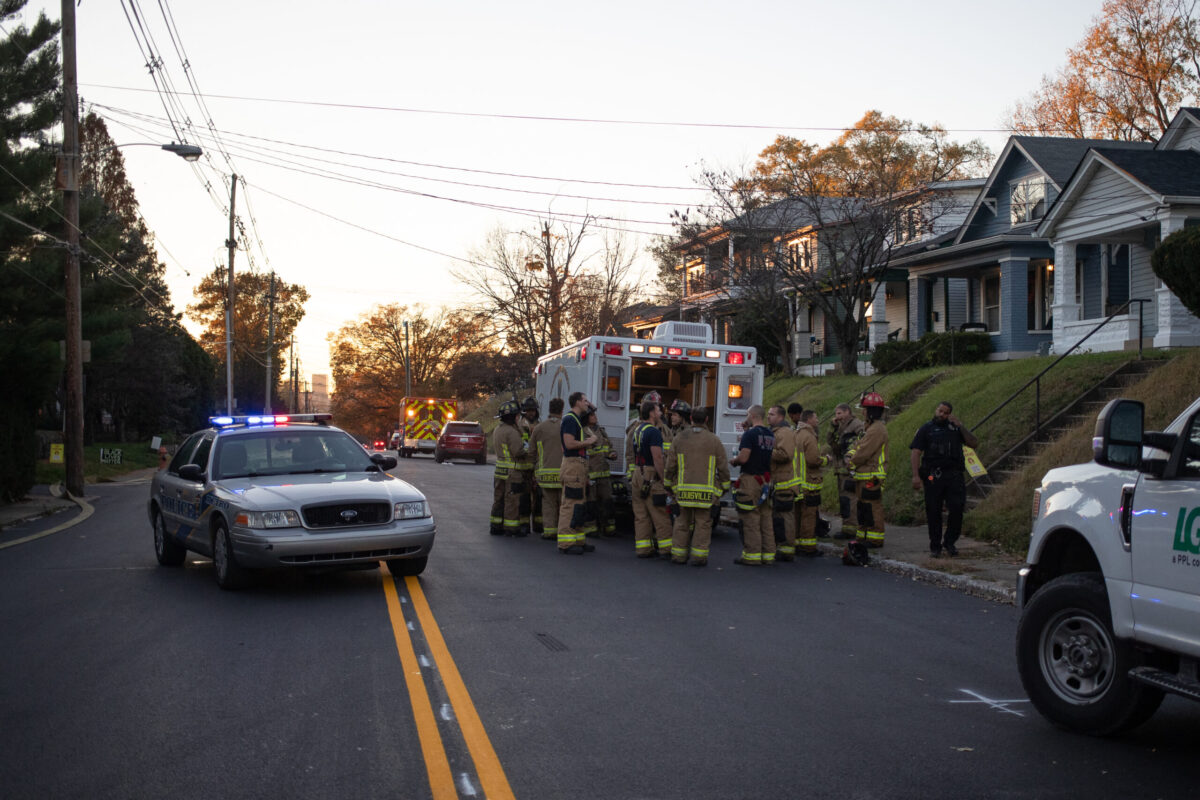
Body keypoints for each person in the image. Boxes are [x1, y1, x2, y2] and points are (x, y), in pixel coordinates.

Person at [910, 401, 979, 557]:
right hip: (933, 475)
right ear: (936, 410)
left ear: (950, 414)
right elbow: (915, 452)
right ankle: (935, 546)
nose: (942, 414)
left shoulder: (955, 429)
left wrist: (960, 426)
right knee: (933, 510)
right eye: (940, 411)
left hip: (954, 476)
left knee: (957, 509)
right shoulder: (926, 429)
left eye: (946, 412)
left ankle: (950, 542)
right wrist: (915, 476)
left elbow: (973, 443)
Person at [664, 406, 729, 566]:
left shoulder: (679, 438)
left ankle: (678, 556)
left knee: (681, 523)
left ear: (691, 419)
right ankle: (699, 557)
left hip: (683, 491)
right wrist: (723, 488)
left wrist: (668, 485)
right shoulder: (714, 440)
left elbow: (670, 465)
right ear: (706, 420)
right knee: (703, 525)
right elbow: (722, 467)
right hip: (706, 494)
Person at [731, 405, 776, 565]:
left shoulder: (750, 435)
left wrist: (734, 461)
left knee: (750, 518)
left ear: (752, 415)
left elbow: (744, 458)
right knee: (765, 518)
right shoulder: (770, 434)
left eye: (747, 415)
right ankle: (768, 554)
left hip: (750, 480)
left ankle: (752, 555)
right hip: (765, 480)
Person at [846, 392, 889, 548]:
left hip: (872, 476)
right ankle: (864, 535)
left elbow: (864, 452)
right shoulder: (869, 428)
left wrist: (850, 463)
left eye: (864, 409)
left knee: (872, 506)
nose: (862, 411)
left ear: (871, 411)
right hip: (864, 474)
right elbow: (857, 446)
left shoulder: (877, 430)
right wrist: (849, 455)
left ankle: (875, 538)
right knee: (863, 507)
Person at [631, 399, 672, 558]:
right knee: (659, 514)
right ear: (651, 413)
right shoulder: (654, 432)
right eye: (658, 410)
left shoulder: (637, 430)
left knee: (641, 515)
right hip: (650, 475)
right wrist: (664, 480)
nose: (661, 413)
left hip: (637, 473)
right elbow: (658, 458)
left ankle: (643, 548)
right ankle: (666, 549)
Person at [558, 392, 598, 555]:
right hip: (572, 465)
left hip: (579, 466)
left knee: (579, 504)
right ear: (576, 402)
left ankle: (578, 540)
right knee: (570, 504)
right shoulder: (569, 420)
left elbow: (593, 412)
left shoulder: (578, 420)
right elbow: (568, 443)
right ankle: (565, 543)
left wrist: (591, 406)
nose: (587, 403)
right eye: (584, 400)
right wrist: (587, 442)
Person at [490, 400, 529, 536]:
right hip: (512, 472)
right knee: (512, 500)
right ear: (513, 417)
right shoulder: (512, 432)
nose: (519, 418)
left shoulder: (498, 429)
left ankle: (496, 525)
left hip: (500, 470)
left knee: (498, 499)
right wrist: (527, 448)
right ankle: (511, 528)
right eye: (517, 416)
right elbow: (518, 452)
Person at [827, 402, 864, 540]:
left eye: (840, 413)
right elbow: (831, 442)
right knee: (844, 500)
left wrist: (852, 458)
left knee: (850, 499)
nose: (837, 417)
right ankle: (847, 526)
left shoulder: (856, 425)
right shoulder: (840, 427)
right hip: (841, 469)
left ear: (847, 412)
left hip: (849, 468)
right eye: (836, 414)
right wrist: (833, 427)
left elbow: (862, 441)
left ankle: (851, 528)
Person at [768, 405, 800, 561]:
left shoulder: (785, 433)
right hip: (778, 482)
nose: (768, 417)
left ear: (780, 417)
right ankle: (781, 547)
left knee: (786, 518)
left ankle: (787, 550)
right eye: (768, 414)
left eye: (772, 414)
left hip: (785, 483)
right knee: (779, 517)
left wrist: (766, 450)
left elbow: (785, 454)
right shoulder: (776, 432)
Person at [530, 397, 565, 541]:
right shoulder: (566, 426)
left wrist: (533, 472)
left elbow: (532, 452)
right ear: (562, 411)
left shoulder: (539, 428)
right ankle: (563, 531)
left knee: (548, 504)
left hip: (545, 474)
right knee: (564, 505)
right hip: (564, 473)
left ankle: (550, 531)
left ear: (549, 410)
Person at [794, 409, 828, 556]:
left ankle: (796, 543)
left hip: (797, 483)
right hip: (809, 482)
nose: (817, 420)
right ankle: (808, 547)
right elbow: (814, 460)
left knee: (797, 515)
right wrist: (827, 460)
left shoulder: (796, 434)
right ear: (808, 420)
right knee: (809, 515)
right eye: (815, 417)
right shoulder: (809, 436)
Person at [584, 406, 618, 537]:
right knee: (590, 502)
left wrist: (612, 454)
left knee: (607, 501)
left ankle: (609, 527)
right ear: (587, 417)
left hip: (603, 473)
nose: (595, 416)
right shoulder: (582, 432)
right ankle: (590, 528)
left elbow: (608, 447)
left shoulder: (601, 431)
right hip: (590, 473)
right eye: (592, 415)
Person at [519, 397, 542, 534]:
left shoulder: (540, 425)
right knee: (524, 498)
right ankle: (524, 524)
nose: (531, 413)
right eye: (528, 410)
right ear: (524, 411)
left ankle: (539, 525)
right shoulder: (520, 425)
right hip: (524, 467)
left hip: (538, 465)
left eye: (533, 410)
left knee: (539, 497)